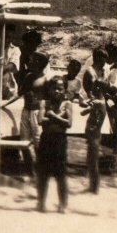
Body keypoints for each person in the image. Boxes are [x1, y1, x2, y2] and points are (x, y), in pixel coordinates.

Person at [36, 76, 72, 213]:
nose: (57, 91)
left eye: (60, 88)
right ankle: (41, 203)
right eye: (54, 88)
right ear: (49, 89)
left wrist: (52, 116)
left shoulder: (67, 104)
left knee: (61, 174)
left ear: (64, 90)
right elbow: (40, 120)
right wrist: (59, 118)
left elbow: (69, 123)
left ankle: (63, 204)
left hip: (60, 141)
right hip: (46, 140)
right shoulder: (44, 103)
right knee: (43, 173)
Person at [82, 79, 108, 194]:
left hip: (94, 135)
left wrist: (85, 101)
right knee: (91, 162)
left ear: (98, 89)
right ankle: (93, 187)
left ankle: (95, 188)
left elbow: (82, 111)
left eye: (94, 87)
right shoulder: (101, 101)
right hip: (94, 135)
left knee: (93, 162)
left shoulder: (98, 103)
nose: (92, 89)